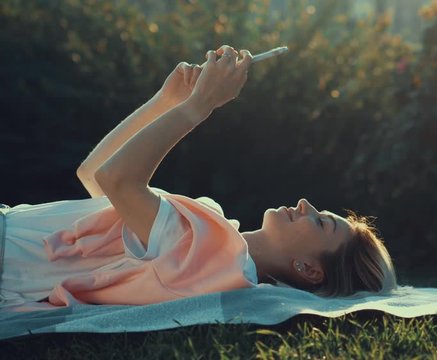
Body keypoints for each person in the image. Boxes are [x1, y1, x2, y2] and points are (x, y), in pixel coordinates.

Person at [0, 45, 396, 311]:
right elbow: (98, 178)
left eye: (322, 221)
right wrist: (166, 102)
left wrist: (200, 104)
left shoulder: (219, 259)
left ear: (309, 269)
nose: (307, 205)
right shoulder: (216, 233)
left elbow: (118, 178)